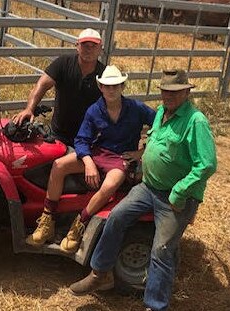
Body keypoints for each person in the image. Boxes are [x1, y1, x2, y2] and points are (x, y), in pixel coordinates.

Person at [68, 69, 218, 311]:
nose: (168, 95)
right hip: (149, 187)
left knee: (161, 249)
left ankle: (155, 306)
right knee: (115, 217)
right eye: (165, 91)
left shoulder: (195, 121)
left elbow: (207, 164)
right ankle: (100, 273)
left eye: (175, 91)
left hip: (174, 195)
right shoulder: (161, 112)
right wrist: (142, 156)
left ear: (187, 92)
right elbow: (153, 141)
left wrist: (180, 191)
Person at [26, 65, 156, 253]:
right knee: (59, 165)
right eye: (107, 86)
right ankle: (47, 220)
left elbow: (160, 125)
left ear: (122, 87)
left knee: (111, 184)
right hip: (98, 152)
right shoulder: (94, 110)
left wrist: (142, 152)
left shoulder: (137, 108)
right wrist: (88, 162)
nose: (111, 90)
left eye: (116, 86)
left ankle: (79, 224)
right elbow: (81, 139)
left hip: (121, 157)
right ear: (101, 87)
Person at [12, 28, 106, 146]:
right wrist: (29, 109)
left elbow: (113, 103)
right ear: (77, 46)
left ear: (100, 49)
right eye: (85, 45)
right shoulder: (63, 63)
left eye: (94, 46)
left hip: (88, 137)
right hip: (59, 134)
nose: (89, 49)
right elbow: (42, 85)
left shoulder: (105, 74)